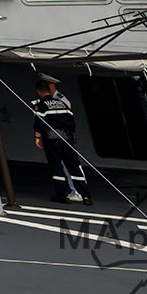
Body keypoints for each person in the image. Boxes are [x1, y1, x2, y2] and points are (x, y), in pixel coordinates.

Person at [31, 75, 89, 203]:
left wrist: (37, 136)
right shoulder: (61, 102)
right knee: (72, 165)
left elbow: (39, 122)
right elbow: (71, 121)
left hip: (53, 139)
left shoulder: (44, 103)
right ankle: (85, 194)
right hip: (66, 138)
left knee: (59, 167)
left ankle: (66, 193)